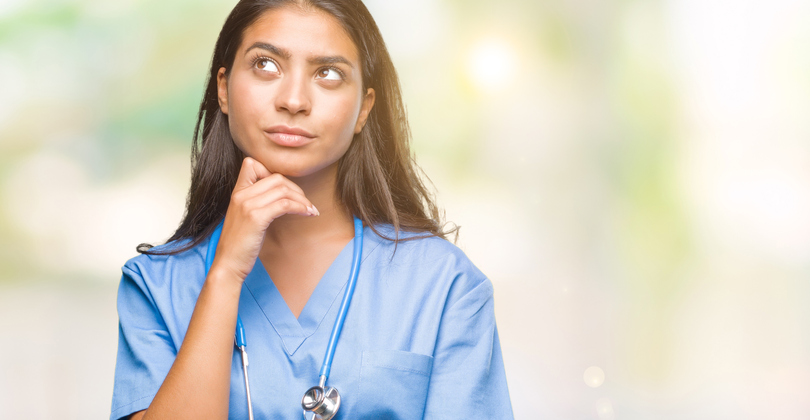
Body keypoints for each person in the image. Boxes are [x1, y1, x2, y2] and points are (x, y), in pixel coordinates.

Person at [110, 1, 513, 419]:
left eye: (329, 73)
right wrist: (226, 276)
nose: (294, 100)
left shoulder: (444, 286)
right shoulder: (155, 287)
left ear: (364, 109)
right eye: (266, 64)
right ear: (224, 89)